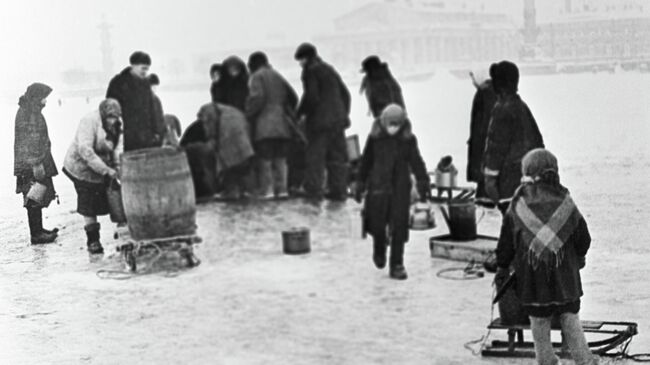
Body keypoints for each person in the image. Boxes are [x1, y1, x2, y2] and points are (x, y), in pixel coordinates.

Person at [495, 149, 596, 365]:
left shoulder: (519, 204)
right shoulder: (565, 201)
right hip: (565, 280)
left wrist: (502, 267)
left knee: (539, 324)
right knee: (570, 321)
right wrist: (579, 258)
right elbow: (584, 238)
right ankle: (585, 361)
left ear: (527, 172)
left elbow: (506, 243)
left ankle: (546, 359)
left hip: (532, 282)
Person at [353, 104, 430, 280]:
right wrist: (359, 182)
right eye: (390, 123)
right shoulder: (375, 138)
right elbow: (366, 161)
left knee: (399, 226)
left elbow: (417, 161)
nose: (393, 128)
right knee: (377, 224)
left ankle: (397, 264)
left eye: (397, 124)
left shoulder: (408, 140)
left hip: (400, 188)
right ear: (384, 122)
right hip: (378, 188)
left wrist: (423, 181)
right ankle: (379, 249)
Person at [483, 60, 544, 213]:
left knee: (514, 230)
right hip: (531, 185)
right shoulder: (522, 107)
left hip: (509, 187)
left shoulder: (502, 110)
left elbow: (495, 147)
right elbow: (539, 146)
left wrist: (490, 180)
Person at [63, 99, 123, 254]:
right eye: (110, 117)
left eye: (116, 117)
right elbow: (85, 151)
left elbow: (117, 148)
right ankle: (93, 241)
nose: (113, 120)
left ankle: (124, 234)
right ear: (103, 114)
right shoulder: (89, 122)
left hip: (100, 165)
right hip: (81, 167)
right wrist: (106, 170)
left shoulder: (117, 125)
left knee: (111, 197)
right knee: (88, 202)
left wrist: (117, 167)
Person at [294, 42, 351, 201]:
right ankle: (338, 191)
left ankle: (313, 191)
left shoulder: (310, 71)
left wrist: (301, 113)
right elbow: (345, 94)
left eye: (301, 60)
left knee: (315, 157)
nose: (300, 64)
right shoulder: (329, 69)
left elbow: (311, 96)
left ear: (306, 58)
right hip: (337, 122)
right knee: (337, 158)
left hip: (320, 124)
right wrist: (342, 114)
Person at [245, 51, 299, 199]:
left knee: (265, 159)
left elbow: (257, 98)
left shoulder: (257, 77)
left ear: (253, 65)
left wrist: (247, 113)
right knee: (281, 159)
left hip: (265, 125)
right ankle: (282, 190)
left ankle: (267, 190)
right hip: (282, 124)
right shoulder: (277, 75)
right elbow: (293, 98)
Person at [14, 83, 59, 244]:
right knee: (33, 195)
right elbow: (29, 142)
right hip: (31, 163)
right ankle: (36, 234)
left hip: (30, 162)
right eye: (43, 98)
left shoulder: (29, 111)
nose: (45, 101)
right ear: (36, 97)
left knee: (36, 194)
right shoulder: (28, 113)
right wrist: (36, 163)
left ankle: (39, 230)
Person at [106, 51, 165, 151]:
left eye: (147, 69)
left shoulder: (146, 84)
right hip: (128, 134)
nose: (145, 72)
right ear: (134, 65)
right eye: (143, 68)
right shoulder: (118, 83)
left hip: (147, 136)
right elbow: (110, 109)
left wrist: (157, 132)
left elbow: (152, 109)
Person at [198, 102, 255, 200]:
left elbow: (211, 128)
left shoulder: (209, 112)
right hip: (244, 141)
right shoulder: (231, 112)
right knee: (242, 167)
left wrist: (210, 137)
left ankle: (232, 192)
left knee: (229, 168)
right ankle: (245, 191)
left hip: (230, 138)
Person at [467, 68, 497, 201]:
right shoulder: (493, 91)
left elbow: (482, 122)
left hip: (483, 144)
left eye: (473, 78)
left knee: (484, 179)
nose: (473, 82)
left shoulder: (484, 93)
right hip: (485, 142)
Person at [147, 73, 182, 146]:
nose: (154, 89)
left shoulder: (155, 99)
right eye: (153, 86)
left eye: (155, 87)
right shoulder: (152, 99)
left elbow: (159, 116)